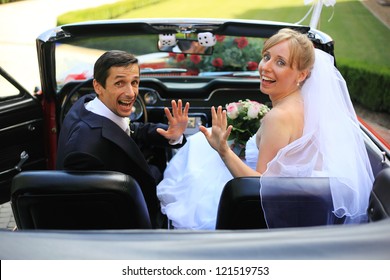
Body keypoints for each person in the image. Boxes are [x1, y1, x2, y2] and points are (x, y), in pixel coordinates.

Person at [157, 28, 374, 229]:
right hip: (297, 203)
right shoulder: (309, 107)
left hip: (263, 209)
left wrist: (223, 151)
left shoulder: (278, 118)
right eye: (267, 57)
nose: (266, 67)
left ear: (301, 75)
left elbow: (258, 186)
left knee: (194, 158)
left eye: (280, 62)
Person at [56, 50, 190, 228]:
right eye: (120, 83)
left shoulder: (90, 104)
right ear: (98, 86)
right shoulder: (84, 151)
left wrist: (171, 134)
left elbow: (131, 129)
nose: (131, 93)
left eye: (134, 82)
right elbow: (93, 213)